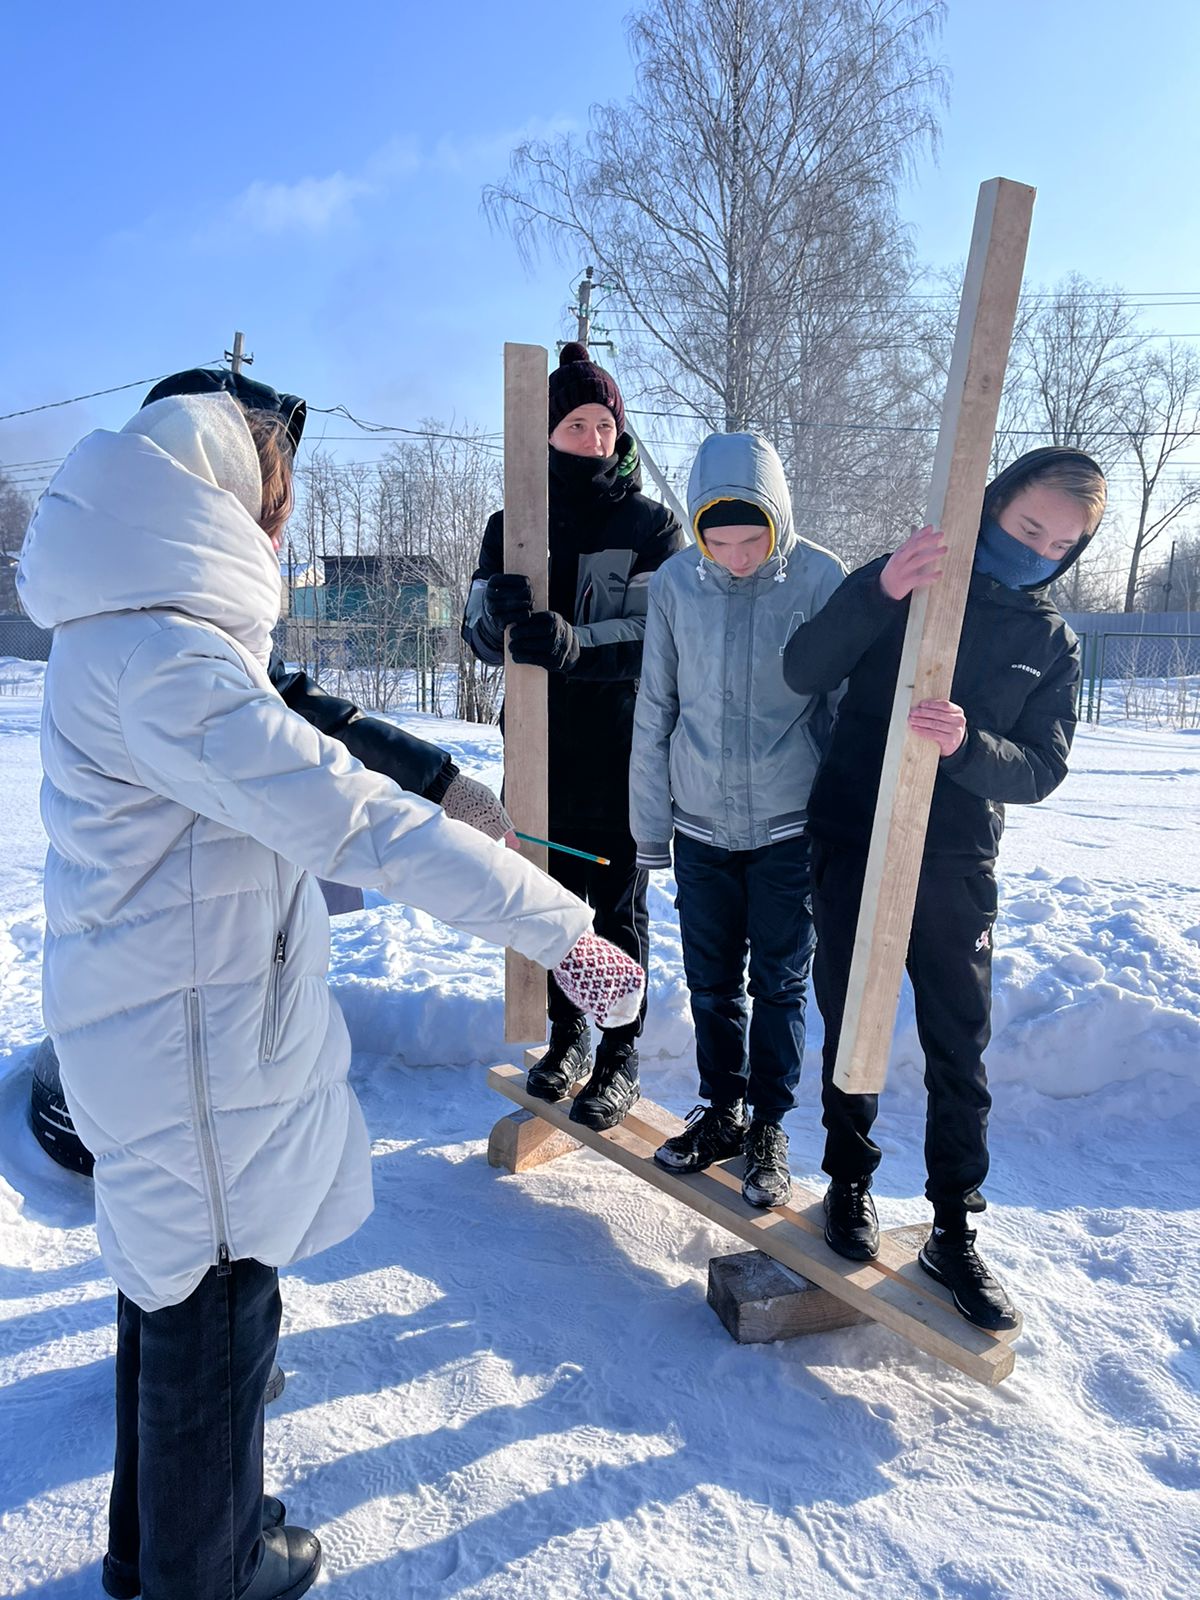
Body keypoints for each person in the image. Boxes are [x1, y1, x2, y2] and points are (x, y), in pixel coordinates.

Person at [17, 376, 643, 1600]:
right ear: (221, 504)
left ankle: (155, 1548)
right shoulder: (168, 664)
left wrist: (402, 832)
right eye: (275, 507)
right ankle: (212, 1567)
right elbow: (348, 821)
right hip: (192, 1049)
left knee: (171, 1294)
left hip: (166, 1018)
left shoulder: (137, 637)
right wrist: (561, 927)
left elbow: (228, 849)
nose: (279, 534)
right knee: (215, 1308)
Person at [782, 446, 1107, 1330]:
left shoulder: (1050, 642)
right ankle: (848, 1185)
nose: (1038, 547)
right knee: (851, 1016)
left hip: (956, 863)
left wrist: (968, 748)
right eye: (1027, 525)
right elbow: (804, 669)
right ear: (996, 504)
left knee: (958, 1044)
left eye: (1059, 543)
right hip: (854, 835)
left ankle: (955, 1229)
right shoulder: (910, 574)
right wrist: (880, 589)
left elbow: (1042, 767)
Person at [463, 342, 686, 1130]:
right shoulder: (511, 523)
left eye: (604, 425)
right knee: (549, 906)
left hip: (624, 752)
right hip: (537, 753)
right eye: (576, 425)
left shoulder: (653, 525)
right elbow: (476, 631)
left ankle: (620, 1056)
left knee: (618, 910)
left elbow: (664, 633)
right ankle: (568, 1041)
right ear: (547, 432)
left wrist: (575, 645)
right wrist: (495, 616)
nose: (594, 439)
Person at [629, 432, 845, 1206]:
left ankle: (769, 1127)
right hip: (701, 825)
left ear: (777, 521)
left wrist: (847, 822)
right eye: (717, 541)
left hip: (791, 825)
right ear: (696, 532)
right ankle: (722, 1111)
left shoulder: (820, 578)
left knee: (781, 984)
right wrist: (651, 828)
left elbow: (843, 707)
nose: (737, 556)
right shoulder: (678, 584)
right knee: (713, 985)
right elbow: (656, 704)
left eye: (751, 538)